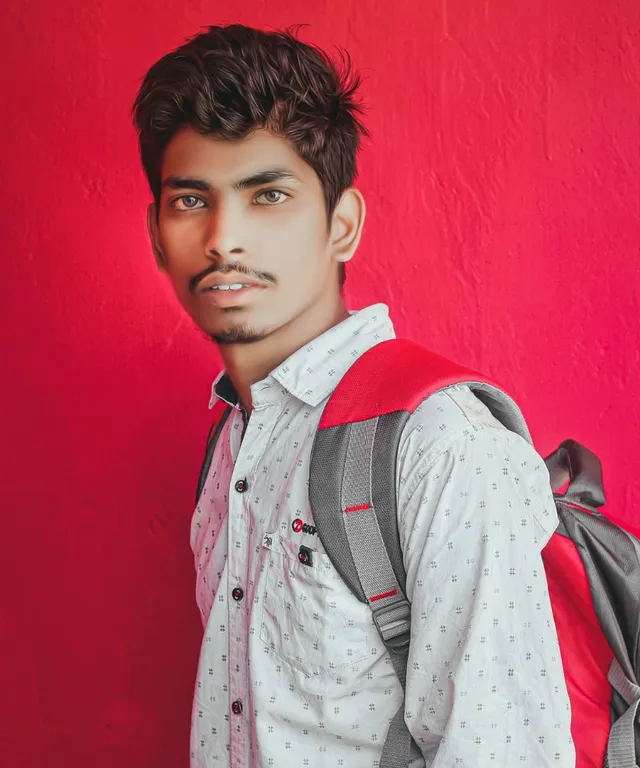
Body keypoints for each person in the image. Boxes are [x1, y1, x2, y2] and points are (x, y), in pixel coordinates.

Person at [132, 24, 575, 767]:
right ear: (155, 233)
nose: (223, 239)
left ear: (342, 225)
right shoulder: (235, 437)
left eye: (267, 195)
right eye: (190, 201)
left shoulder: (438, 446)